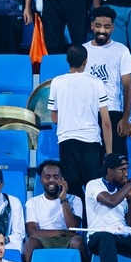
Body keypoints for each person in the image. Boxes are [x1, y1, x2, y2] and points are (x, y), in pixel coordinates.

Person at [48, 44, 112, 216]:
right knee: (93, 190)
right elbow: (106, 122)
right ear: (86, 61)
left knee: (73, 192)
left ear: (67, 61)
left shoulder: (57, 82)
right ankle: (93, 227)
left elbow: (54, 118)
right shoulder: (96, 83)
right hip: (91, 143)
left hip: (67, 143)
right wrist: (109, 153)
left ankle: (77, 227)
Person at [84, 7, 131, 143]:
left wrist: (125, 118)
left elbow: (128, 87)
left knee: (116, 156)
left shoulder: (122, 51)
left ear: (113, 28)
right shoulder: (82, 50)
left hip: (113, 111)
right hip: (87, 113)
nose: (102, 30)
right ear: (92, 25)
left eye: (107, 27)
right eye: (98, 26)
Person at [23, 161, 82, 262]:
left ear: (62, 179)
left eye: (56, 177)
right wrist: (62, 232)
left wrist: (63, 199)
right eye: (47, 177)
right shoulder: (32, 202)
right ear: (41, 179)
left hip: (68, 239)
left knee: (77, 242)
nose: (51, 180)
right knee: (30, 243)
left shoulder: (75, 200)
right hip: (43, 239)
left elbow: (73, 228)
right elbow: (33, 232)